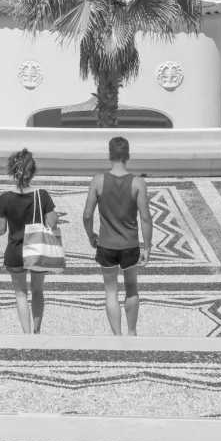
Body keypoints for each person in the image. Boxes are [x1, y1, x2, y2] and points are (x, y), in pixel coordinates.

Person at [82, 136, 152, 336]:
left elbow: (87, 215)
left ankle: (117, 337)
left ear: (109, 155)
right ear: (128, 156)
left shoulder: (98, 181)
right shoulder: (138, 183)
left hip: (106, 244)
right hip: (130, 244)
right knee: (132, 288)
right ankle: (132, 332)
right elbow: (145, 217)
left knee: (111, 291)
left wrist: (90, 235)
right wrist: (147, 247)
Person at [0, 148, 58, 334]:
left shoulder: (5, 198)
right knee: (38, 291)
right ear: (33, 171)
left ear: (13, 171)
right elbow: (52, 222)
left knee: (20, 294)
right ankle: (37, 331)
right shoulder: (42, 196)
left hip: (15, 251)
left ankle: (26, 335)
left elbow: (2, 229)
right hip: (37, 250)